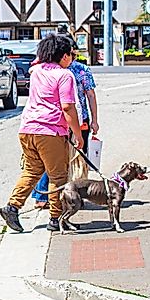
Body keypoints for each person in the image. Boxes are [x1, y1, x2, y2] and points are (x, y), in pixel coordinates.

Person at [0, 34, 84, 234]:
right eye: (71, 54)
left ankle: (12, 207)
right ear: (63, 56)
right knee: (58, 176)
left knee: (32, 171)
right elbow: (68, 108)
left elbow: (38, 61)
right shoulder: (64, 75)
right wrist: (78, 135)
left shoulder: (35, 70)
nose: (72, 58)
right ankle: (55, 218)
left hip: (27, 128)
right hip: (50, 131)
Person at [26, 36, 99, 210]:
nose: (72, 56)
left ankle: (44, 197)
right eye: (71, 53)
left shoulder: (40, 70)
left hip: (46, 123)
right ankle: (61, 203)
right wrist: (94, 120)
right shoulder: (77, 71)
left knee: (49, 162)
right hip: (72, 122)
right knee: (68, 161)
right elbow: (88, 97)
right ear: (66, 54)